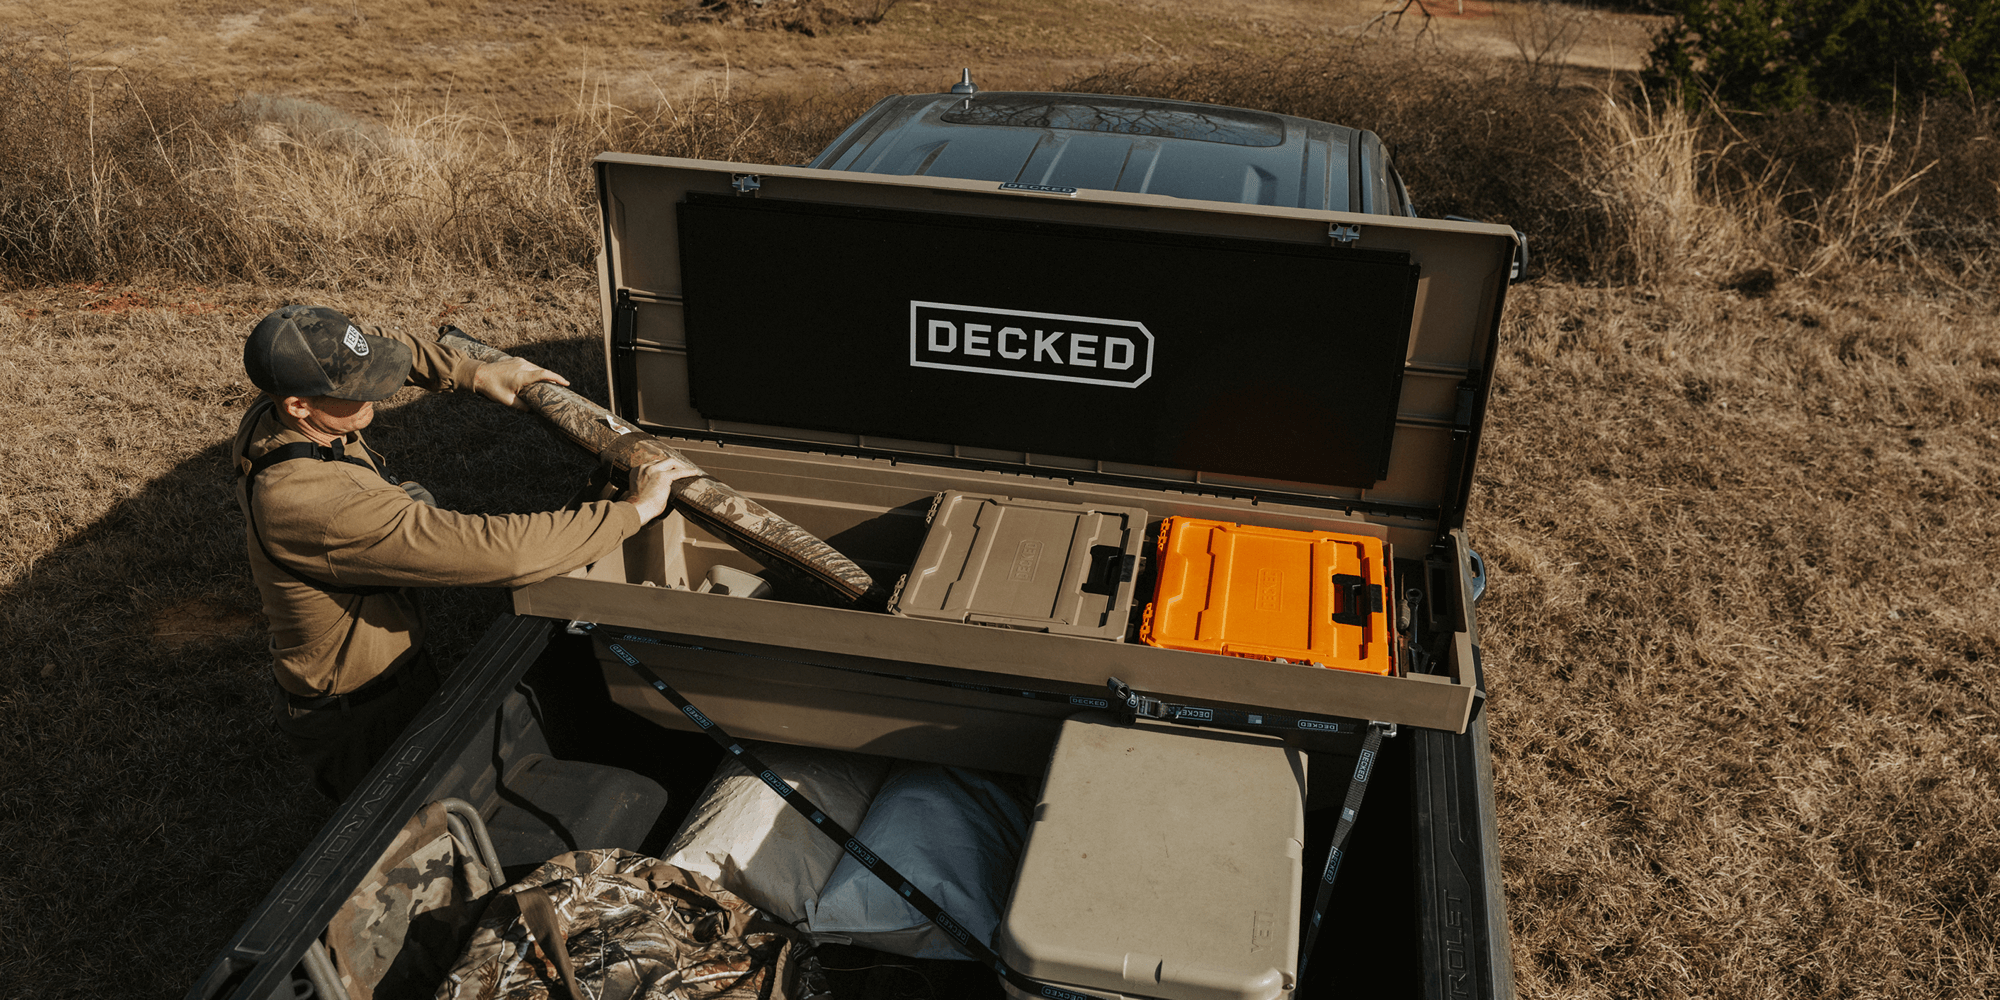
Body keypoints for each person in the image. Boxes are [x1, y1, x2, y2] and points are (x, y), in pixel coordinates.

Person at [232, 304, 693, 801]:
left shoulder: (277, 410)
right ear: (299, 405)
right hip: (359, 710)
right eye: (355, 387)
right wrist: (633, 512)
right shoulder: (318, 506)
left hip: (393, 672)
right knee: (410, 827)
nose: (376, 389)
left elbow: (381, 343)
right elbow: (501, 553)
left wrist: (474, 373)